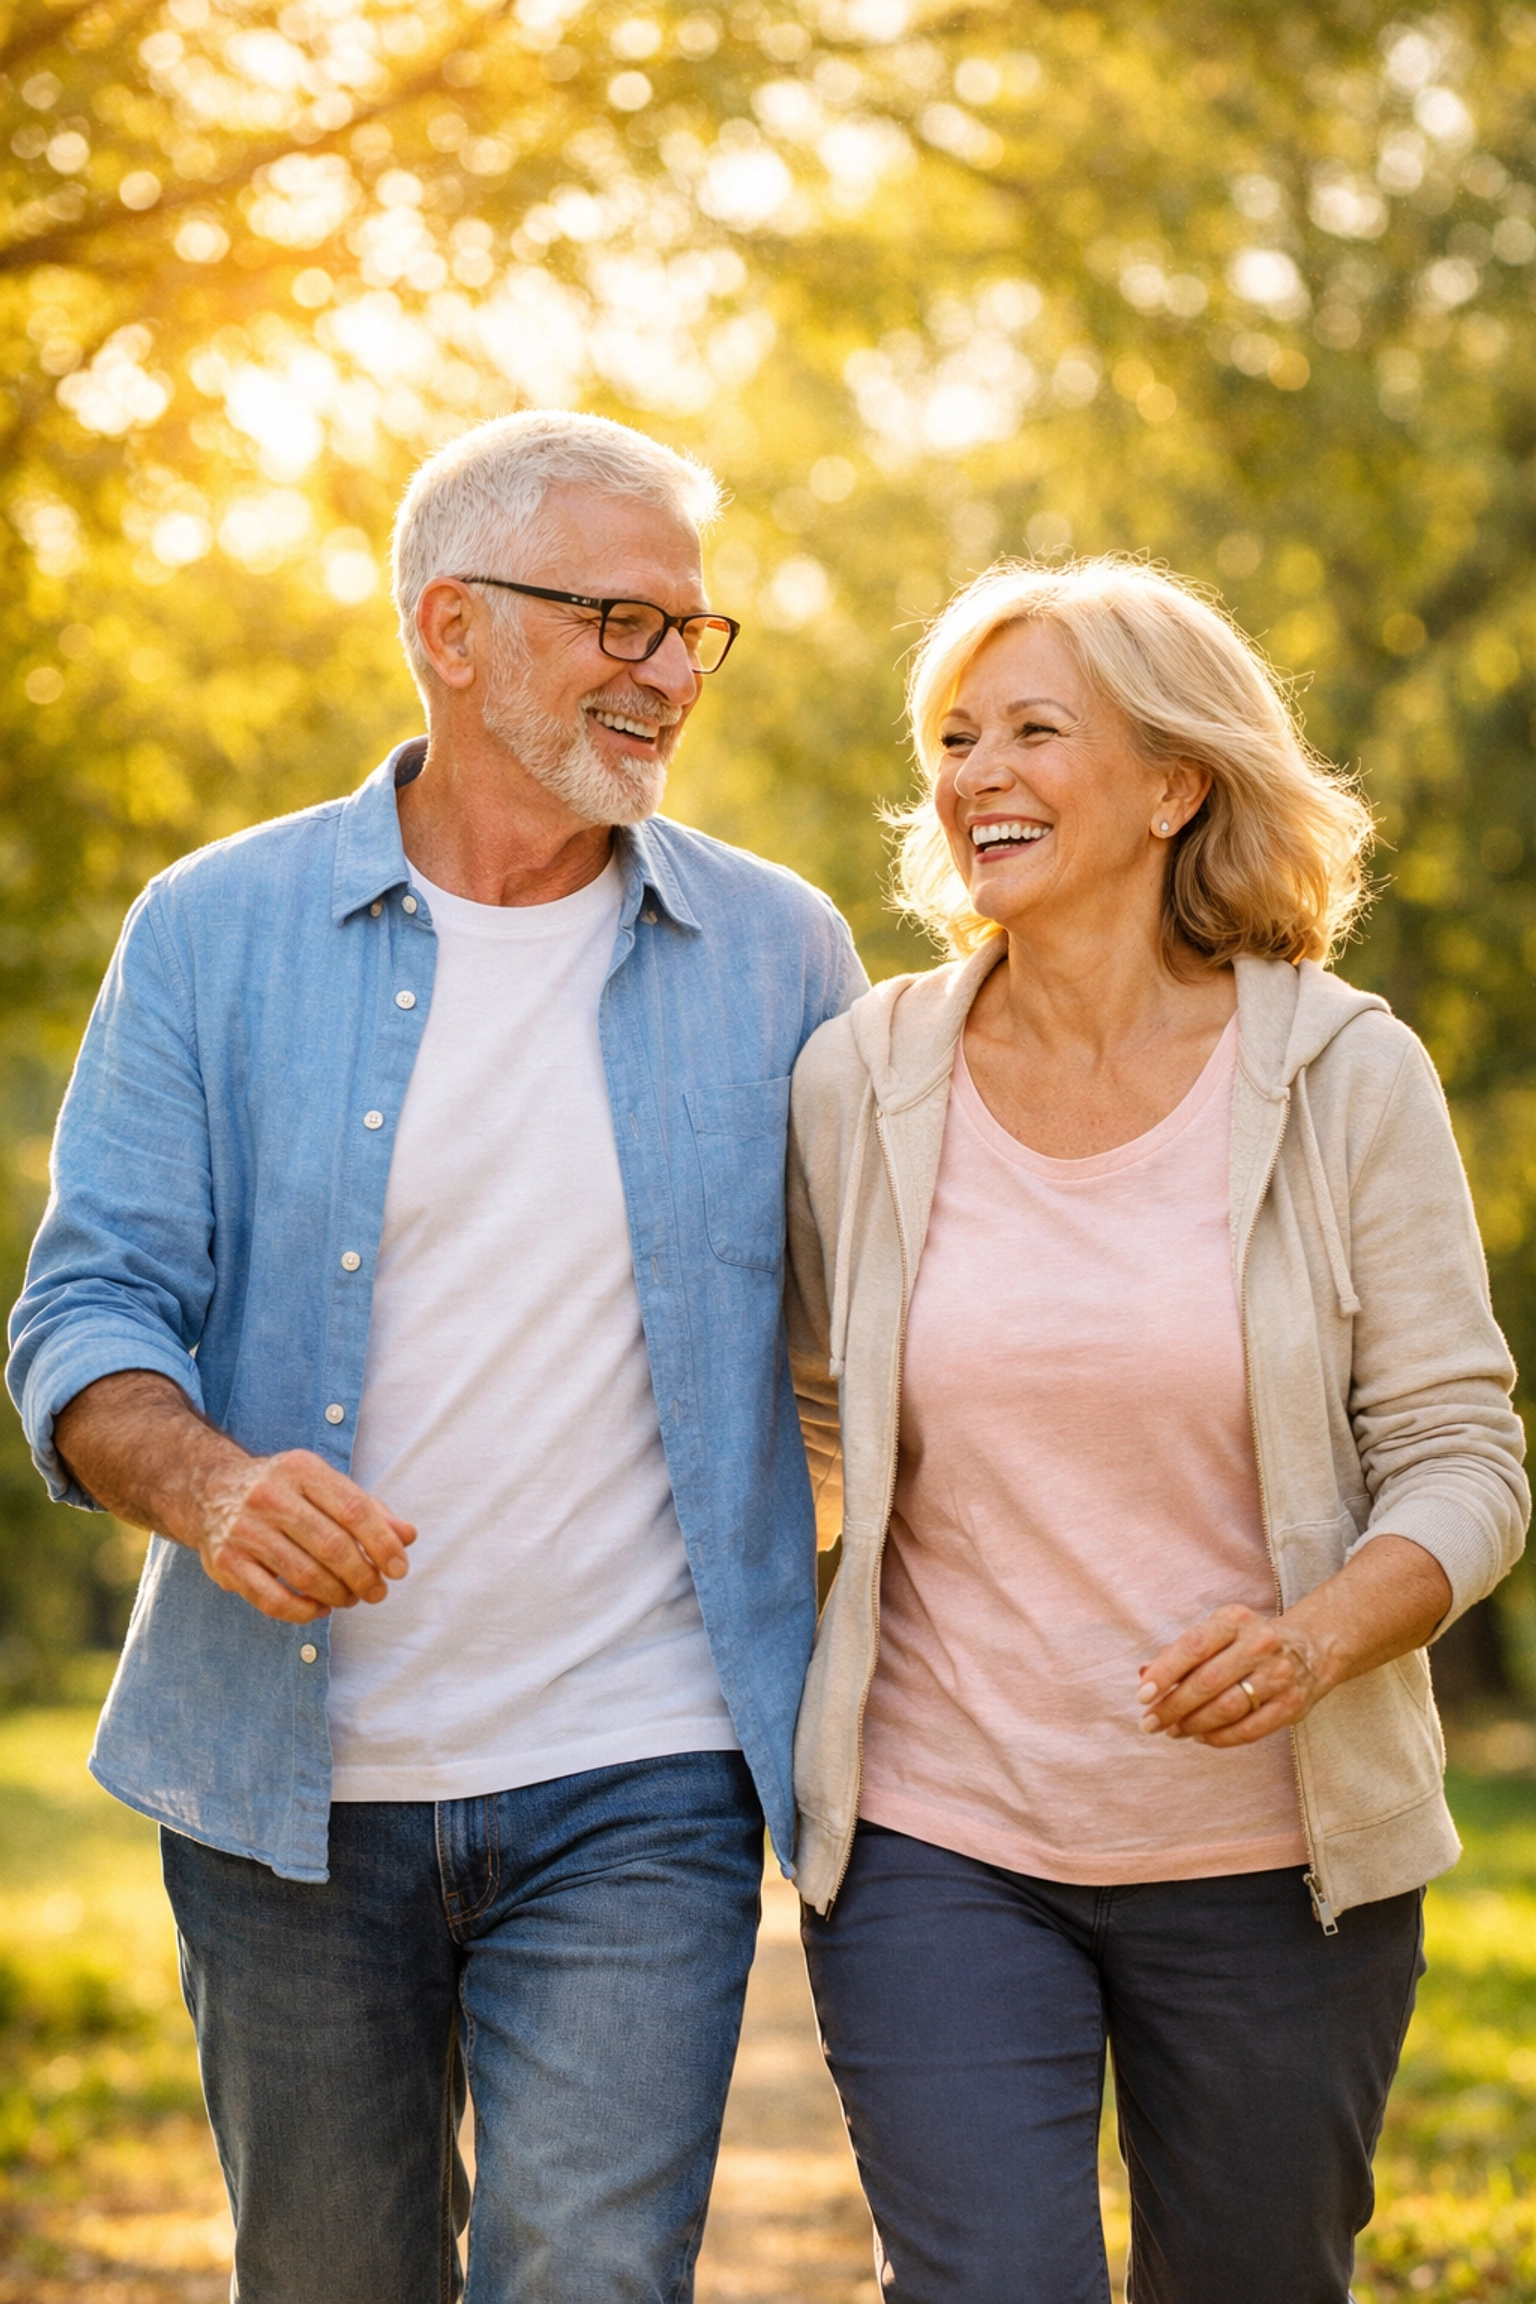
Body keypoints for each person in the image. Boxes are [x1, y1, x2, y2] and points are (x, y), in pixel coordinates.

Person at [7, 409, 866, 2304]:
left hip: (644, 1769)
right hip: (288, 1781)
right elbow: (85, 1314)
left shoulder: (781, 954)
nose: (669, 673)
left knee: (591, 2278)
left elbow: (886, 1332)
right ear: (450, 627)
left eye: (691, 631)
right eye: (618, 621)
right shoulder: (213, 932)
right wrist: (215, 1487)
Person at [784, 557, 1528, 2304]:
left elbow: (1465, 1459)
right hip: (939, 1832)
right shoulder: (862, 1080)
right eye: (955, 738)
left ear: (1176, 784)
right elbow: (809, 1426)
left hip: (1278, 1862)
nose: (978, 774)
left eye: (1036, 731)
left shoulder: (1345, 1075)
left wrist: (1315, 1637)